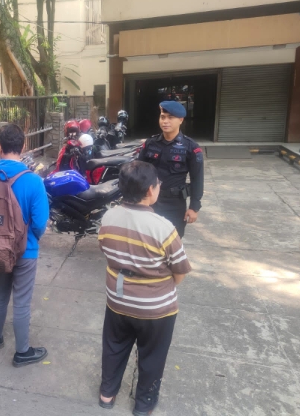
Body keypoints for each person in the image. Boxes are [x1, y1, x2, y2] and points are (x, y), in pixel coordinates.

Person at [98, 161, 191, 415]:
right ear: (150, 190)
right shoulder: (163, 227)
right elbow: (180, 271)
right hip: (156, 309)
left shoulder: (108, 217)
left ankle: (107, 394)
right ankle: (144, 404)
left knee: (114, 347)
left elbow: (105, 250)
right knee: (152, 355)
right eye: (158, 184)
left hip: (117, 300)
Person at [0, 123, 50, 367]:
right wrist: (31, 240)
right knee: (21, 301)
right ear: (24, 146)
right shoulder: (34, 181)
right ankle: (22, 352)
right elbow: (39, 223)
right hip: (25, 250)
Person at [138, 101, 204, 238]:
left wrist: (194, 207)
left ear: (181, 120)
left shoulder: (191, 147)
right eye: (162, 117)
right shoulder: (150, 143)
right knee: (147, 240)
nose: (165, 121)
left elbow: (197, 179)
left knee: (172, 240)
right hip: (149, 201)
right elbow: (138, 172)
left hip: (174, 203)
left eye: (170, 117)